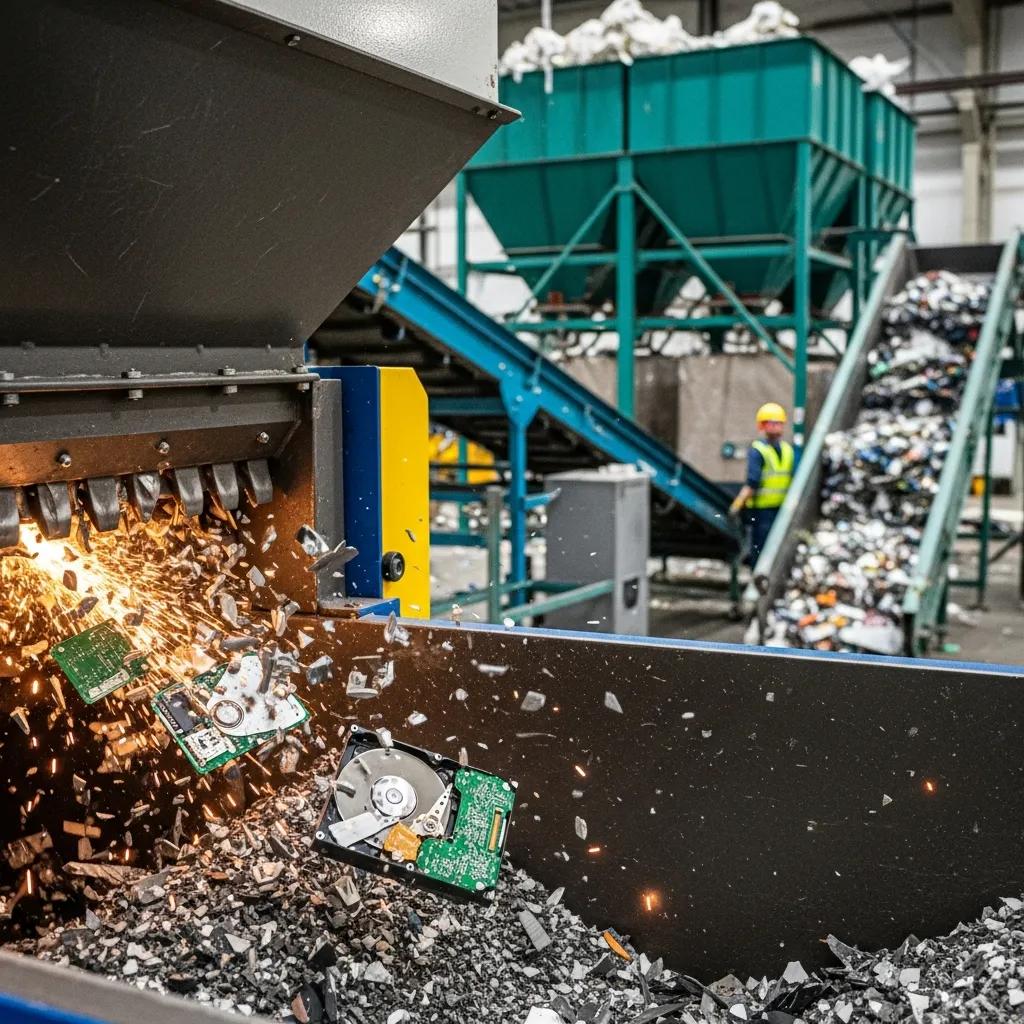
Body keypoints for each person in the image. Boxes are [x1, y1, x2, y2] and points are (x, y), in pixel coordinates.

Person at [729, 402, 794, 567]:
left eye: (777, 423)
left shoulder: (762, 450)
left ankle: (760, 582)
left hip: (765, 512)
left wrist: (736, 505)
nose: (775, 426)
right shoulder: (784, 450)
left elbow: (752, 482)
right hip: (774, 510)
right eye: (772, 423)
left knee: (761, 550)